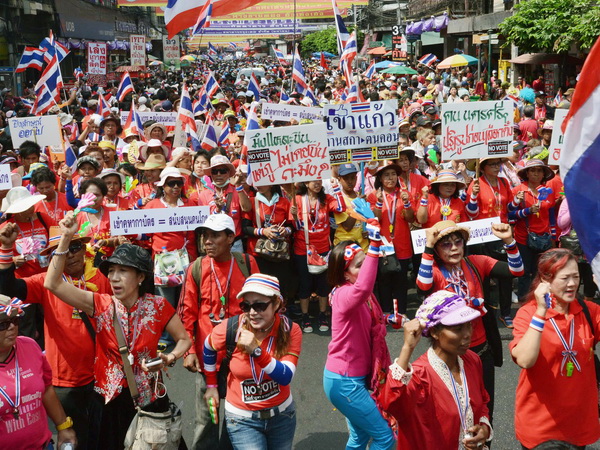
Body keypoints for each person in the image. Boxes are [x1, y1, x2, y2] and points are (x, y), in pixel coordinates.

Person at [44, 213, 191, 450]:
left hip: (150, 399)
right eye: (111, 271)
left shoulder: (158, 305)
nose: (114, 277)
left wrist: (169, 357)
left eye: (123, 271)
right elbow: (52, 283)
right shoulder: (100, 304)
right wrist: (66, 238)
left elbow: (184, 339)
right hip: (107, 401)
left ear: (141, 277)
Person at [0, 224, 110, 449]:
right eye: (62, 250)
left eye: (75, 247)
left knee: (102, 437)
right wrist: (6, 247)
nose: (70, 254)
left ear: (84, 249)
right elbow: (7, 287)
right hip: (65, 381)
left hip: (101, 376)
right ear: (53, 258)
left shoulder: (100, 278)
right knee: (75, 439)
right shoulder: (45, 282)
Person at [416, 220, 524, 423]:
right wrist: (428, 247)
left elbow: (516, 271)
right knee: (454, 413)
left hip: (481, 350)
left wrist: (509, 241)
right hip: (449, 353)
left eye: (458, 242)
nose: (454, 248)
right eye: (446, 244)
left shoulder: (477, 262)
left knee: (484, 409)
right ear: (437, 250)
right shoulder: (436, 271)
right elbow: (423, 286)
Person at [179, 213, 259, 450]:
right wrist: (188, 351)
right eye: (205, 235)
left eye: (215, 236)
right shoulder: (195, 268)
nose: (207, 241)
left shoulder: (247, 262)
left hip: (241, 357)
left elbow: (263, 306)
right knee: (207, 420)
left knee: (239, 416)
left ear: (230, 237)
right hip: (208, 359)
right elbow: (187, 313)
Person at [377, 290, 492, 449]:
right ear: (434, 332)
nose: (467, 334)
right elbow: (392, 404)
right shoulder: (418, 375)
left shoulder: (472, 360)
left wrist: (483, 429)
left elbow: (483, 401)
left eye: (469, 325)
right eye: (458, 328)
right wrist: (407, 347)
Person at [510, 249, 600, 449]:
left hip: (578, 424)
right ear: (545, 279)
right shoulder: (528, 313)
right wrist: (541, 312)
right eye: (565, 278)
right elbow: (525, 360)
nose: (572, 284)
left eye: (576, 277)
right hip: (540, 426)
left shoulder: (589, 311)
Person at [323, 219, 399, 450]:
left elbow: (368, 320)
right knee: (385, 438)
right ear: (344, 274)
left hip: (351, 379)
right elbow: (365, 286)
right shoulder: (344, 294)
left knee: (359, 438)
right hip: (344, 382)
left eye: (365, 262)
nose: (365, 268)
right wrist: (374, 244)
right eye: (359, 265)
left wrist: (388, 319)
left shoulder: (360, 297)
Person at [203, 274, 302, 450]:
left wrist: (256, 351)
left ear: (277, 303)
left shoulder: (290, 330)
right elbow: (208, 346)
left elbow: (285, 376)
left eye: (260, 305)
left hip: (282, 417)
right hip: (242, 420)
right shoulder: (232, 328)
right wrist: (211, 386)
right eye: (246, 306)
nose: (253, 312)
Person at [0, 295, 78, 448]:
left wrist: (63, 426)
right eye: (2, 324)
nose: (12, 327)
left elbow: (47, 389)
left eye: (15, 321)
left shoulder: (30, 346)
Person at [467, 157, 520, 328]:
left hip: (503, 233)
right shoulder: (476, 183)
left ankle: (505, 312)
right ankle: (486, 312)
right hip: (483, 236)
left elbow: (509, 208)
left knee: (506, 275)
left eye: (498, 164)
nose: (497, 167)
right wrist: (474, 195)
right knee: (484, 277)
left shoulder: (504, 182)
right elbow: (471, 213)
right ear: (482, 168)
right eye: (493, 164)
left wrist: (517, 201)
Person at [291, 179, 345, 333]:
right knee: (305, 284)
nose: (317, 183)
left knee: (323, 284)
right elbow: (296, 227)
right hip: (303, 248)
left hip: (323, 249)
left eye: (319, 180)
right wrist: (295, 217)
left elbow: (341, 207)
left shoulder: (326, 198)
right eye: (313, 181)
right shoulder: (297, 199)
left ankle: (322, 314)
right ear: (306, 183)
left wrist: (336, 188)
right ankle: (305, 316)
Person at [367, 163, 414, 315]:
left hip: (402, 243)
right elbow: (375, 218)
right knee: (384, 281)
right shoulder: (374, 195)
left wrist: (406, 203)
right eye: (386, 175)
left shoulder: (404, 194)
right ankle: (386, 312)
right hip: (382, 245)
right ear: (380, 178)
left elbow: (410, 218)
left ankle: (401, 313)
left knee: (401, 281)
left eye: (393, 174)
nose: (391, 178)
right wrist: (380, 201)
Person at [509, 159, 557, 301]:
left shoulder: (548, 191)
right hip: (523, 238)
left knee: (541, 272)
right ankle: (524, 303)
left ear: (544, 174)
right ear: (527, 173)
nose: (536, 173)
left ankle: (540, 302)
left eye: (539, 170)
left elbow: (551, 215)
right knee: (524, 273)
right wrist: (527, 211)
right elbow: (510, 215)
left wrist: (553, 237)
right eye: (532, 170)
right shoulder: (518, 191)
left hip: (544, 238)